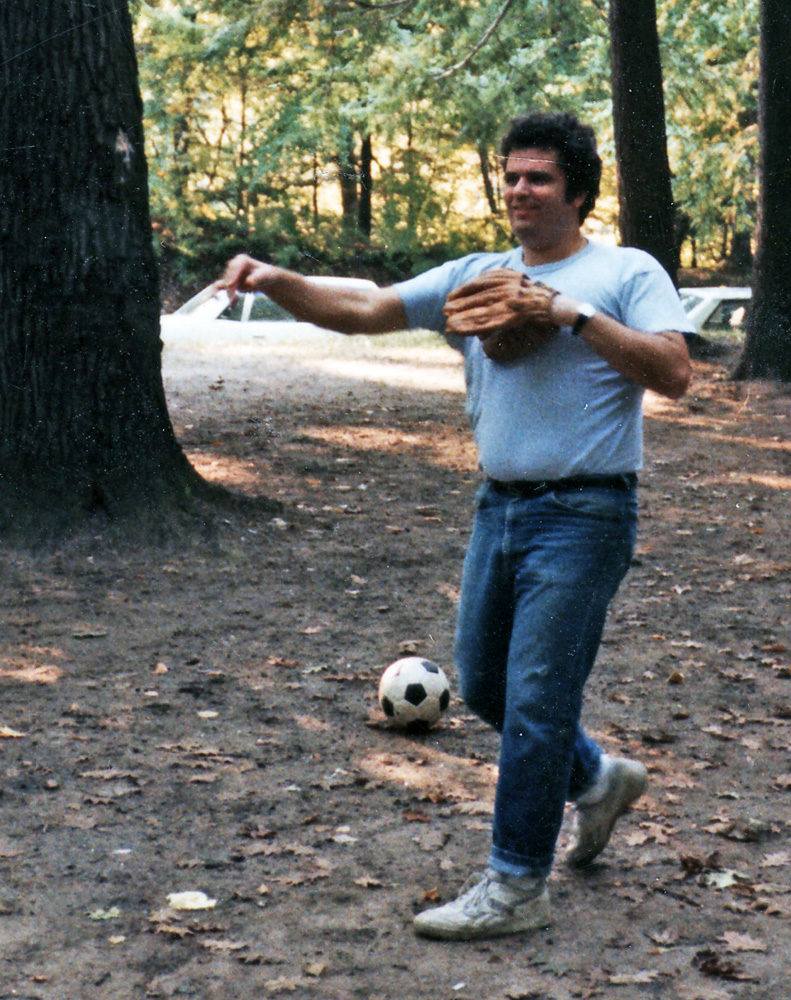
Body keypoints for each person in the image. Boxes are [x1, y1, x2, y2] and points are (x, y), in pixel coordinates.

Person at [218, 111, 693, 941]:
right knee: (483, 683)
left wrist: (569, 314)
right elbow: (364, 306)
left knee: (539, 696)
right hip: (499, 506)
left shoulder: (626, 271)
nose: (519, 190)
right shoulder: (477, 275)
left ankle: (515, 884)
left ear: (577, 191)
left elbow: (676, 372)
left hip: (587, 512)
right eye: (510, 176)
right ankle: (598, 778)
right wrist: (272, 277)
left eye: (538, 177)